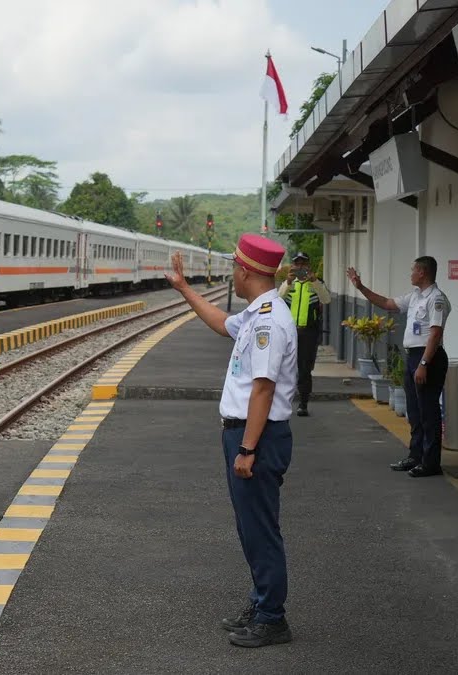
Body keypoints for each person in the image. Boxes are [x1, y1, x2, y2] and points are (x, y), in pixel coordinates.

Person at [167, 233, 297, 648]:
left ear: (245, 271)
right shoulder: (257, 312)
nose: (232, 274)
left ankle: (272, 618)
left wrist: (247, 449)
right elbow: (221, 324)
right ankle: (262, 603)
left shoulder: (269, 321)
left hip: (256, 436)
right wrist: (185, 289)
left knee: (260, 529)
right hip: (245, 433)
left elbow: (263, 389)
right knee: (250, 527)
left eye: (235, 267)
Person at [346, 257, 451, 478]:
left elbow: (435, 333)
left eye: (413, 269)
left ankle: (431, 463)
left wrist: (424, 363)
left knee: (428, 412)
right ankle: (416, 456)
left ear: (422, 272)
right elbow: (387, 304)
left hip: (428, 358)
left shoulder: (436, 299)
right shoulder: (415, 297)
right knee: (414, 410)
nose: (410, 273)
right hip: (413, 357)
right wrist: (361, 287)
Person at [278, 252, 331, 416]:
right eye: (297, 264)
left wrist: (314, 281)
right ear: (292, 266)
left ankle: (303, 403)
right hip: (288, 333)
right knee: (284, 368)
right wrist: (287, 282)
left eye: (304, 264)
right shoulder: (289, 283)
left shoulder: (317, 283)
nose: (300, 267)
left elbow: (326, 299)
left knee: (305, 369)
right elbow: (278, 298)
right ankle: (282, 402)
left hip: (309, 332)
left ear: (309, 266)